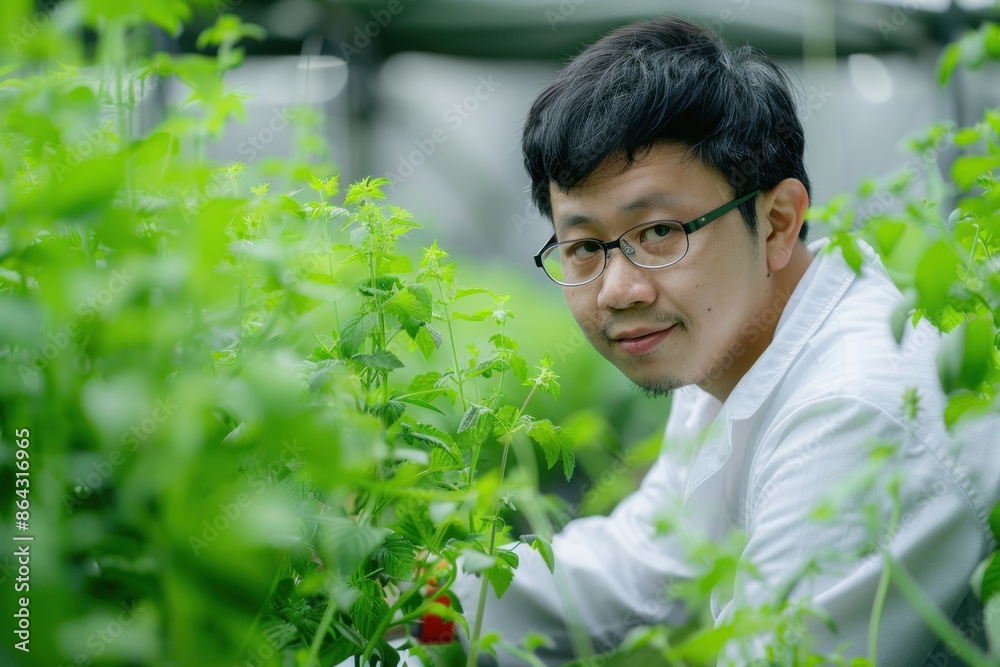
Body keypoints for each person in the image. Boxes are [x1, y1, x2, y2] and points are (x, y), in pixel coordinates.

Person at [447, 16, 1000, 666]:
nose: (617, 289)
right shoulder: (734, 347)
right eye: (585, 246)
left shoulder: (851, 409)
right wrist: (416, 595)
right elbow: (647, 565)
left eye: (659, 232)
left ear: (777, 222)